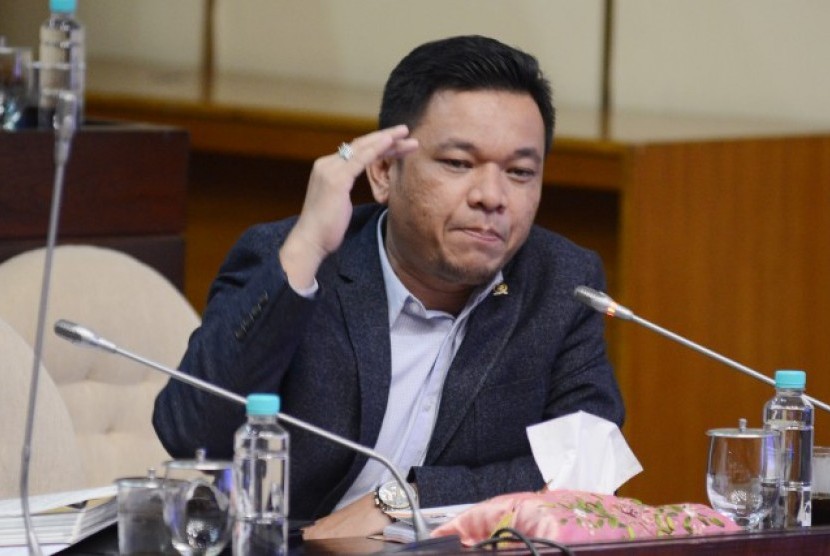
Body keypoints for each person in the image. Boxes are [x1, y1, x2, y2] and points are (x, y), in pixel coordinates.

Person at [153, 34, 624, 539]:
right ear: (383, 171)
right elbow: (191, 434)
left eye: (520, 172)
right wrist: (307, 247)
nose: (492, 196)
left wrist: (406, 499)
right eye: (458, 163)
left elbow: (588, 463)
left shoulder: (561, 282)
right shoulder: (292, 258)